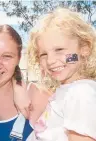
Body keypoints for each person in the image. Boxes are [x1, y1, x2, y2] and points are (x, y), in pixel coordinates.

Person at [25, 8, 96, 141]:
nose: (51, 60)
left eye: (59, 50)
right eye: (44, 54)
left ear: (84, 49)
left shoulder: (81, 93)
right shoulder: (67, 90)